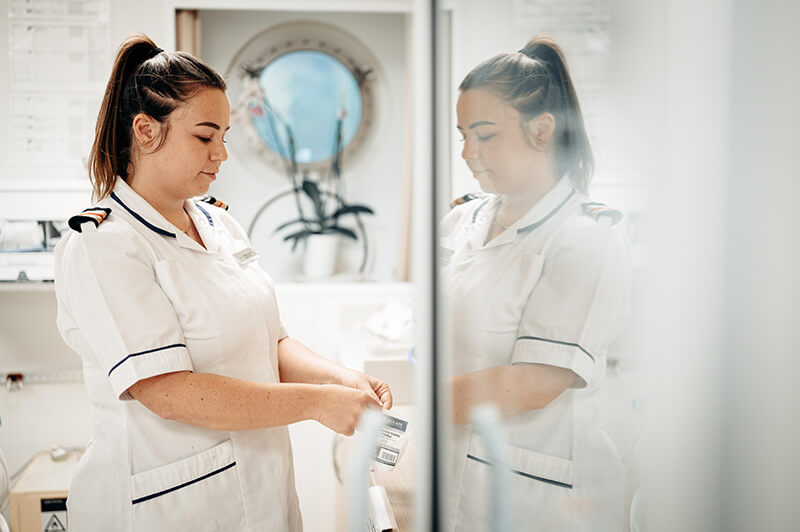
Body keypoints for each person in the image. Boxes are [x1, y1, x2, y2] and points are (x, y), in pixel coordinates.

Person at [54, 34, 392, 532]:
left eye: (225, 137)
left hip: (261, 491)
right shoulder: (103, 245)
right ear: (146, 132)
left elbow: (269, 341)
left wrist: (338, 379)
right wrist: (319, 403)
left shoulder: (219, 224)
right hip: (167, 509)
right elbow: (168, 392)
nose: (221, 155)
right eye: (205, 137)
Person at [442, 36, 631, 530]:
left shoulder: (586, 237)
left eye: (484, 134)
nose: (467, 151)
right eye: (462, 134)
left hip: (540, 491)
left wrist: (405, 406)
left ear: (542, 130)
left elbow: (536, 382)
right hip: (457, 469)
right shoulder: (461, 220)